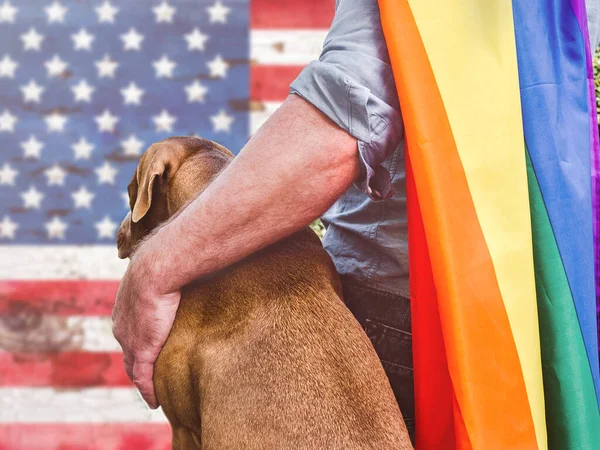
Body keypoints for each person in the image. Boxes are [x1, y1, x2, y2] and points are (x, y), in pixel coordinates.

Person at [112, 0, 600, 441]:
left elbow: (341, 124)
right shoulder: (560, 20)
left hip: (403, 321)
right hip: (532, 327)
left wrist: (153, 269)